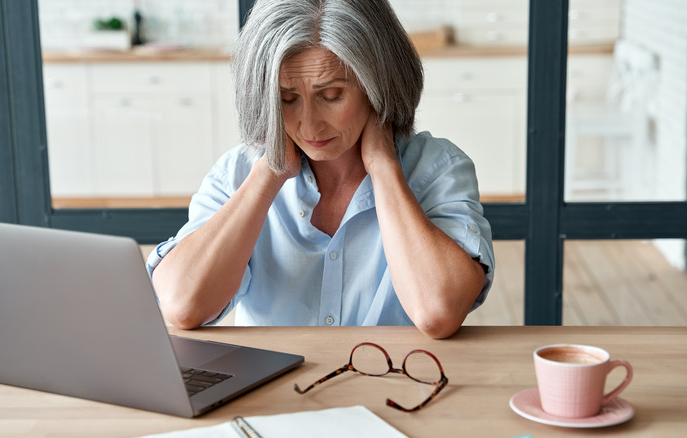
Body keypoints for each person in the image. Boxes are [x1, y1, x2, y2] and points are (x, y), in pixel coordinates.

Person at [147, 0, 494, 339]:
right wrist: (269, 174)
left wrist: (384, 168)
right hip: (276, 393)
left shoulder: (437, 170)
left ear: (378, 87)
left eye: (331, 95)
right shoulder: (237, 174)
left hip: (395, 387)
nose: (309, 126)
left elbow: (438, 313)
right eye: (286, 99)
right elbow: (183, 306)